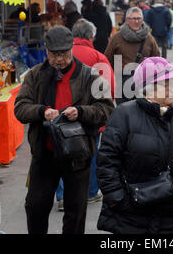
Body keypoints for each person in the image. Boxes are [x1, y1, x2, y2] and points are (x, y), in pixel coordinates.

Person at [14, 25, 114, 234]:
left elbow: (106, 108)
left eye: (64, 55)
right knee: (35, 206)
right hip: (44, 153)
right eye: (54, 55)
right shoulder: (35, 75)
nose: (59, 60)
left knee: (75, 212)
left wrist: (81, 112)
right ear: (46, 51)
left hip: (78, 154)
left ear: (71, 50)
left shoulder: (89, 76)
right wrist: (42, 111)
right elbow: (20, 108)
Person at [96, 57, 173, 234]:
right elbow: (107, 161)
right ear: (148, 88)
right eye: (167, 83)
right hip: (131, 217)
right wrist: (118, 199)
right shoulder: (124, 115)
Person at [54, 19, 116, 211]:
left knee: (60, 152)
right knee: (91, 152)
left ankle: (63, 196)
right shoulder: (98, 57)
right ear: (91, 37)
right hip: (89, 116)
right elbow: (110, 89)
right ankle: (90, 193)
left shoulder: (58, 55)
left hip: (59, 114)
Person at [104, 7, 160, 105]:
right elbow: (107, 59)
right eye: (133, 19)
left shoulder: (149, 38)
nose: (136, 21)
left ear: (142, 20)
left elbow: (157, 60)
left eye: (139, 18)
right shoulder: (117, 37)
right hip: (122, 83)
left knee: (142, 113)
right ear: (127, 20)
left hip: (143, 83)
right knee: (124, 113)